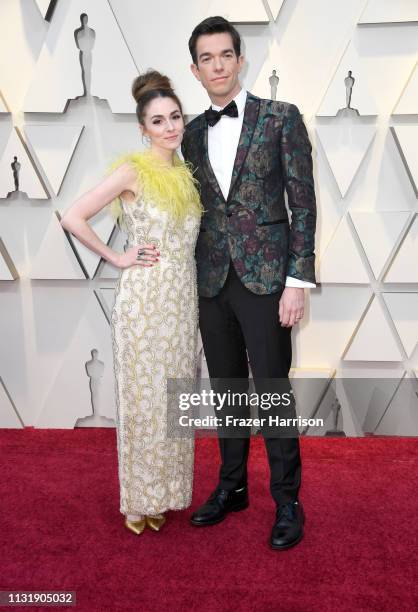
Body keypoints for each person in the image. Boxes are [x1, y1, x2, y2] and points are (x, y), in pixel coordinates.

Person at [181, 16, 317, 550]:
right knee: (228, 390)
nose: (217, 65)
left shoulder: (280, 118)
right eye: (206, 58)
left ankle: (287, 500)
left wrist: (297, 280)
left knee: (273, 391)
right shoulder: (189, 134)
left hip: (266, 279)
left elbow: (302, 203)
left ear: (240, 60)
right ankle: (232, 485)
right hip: (211, 278)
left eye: (225, 55)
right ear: (195, 69)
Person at [61, 70, 203, 536]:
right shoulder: (132, 171)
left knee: (173, 400)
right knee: (144, 401)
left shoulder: (184, 173)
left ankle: (165, 493)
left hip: (182, 302)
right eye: (158, 121)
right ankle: (137, 501)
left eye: (175, 117)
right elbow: (72, 216)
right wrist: (116, 257)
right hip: (144, 303)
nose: (170, 127)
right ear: (143, 128)